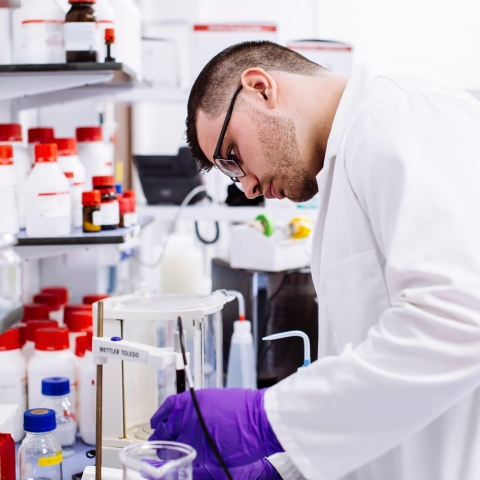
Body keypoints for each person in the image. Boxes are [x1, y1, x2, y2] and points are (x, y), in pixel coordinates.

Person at [150, 41, 480, 480]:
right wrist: (280, 469)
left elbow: (458, 317)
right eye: (231, 174)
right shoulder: (346, 164)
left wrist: (266, 418)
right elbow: (365, 385)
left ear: (260, 88)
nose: (245, 188)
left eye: (232, 156)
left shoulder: (399, 115)